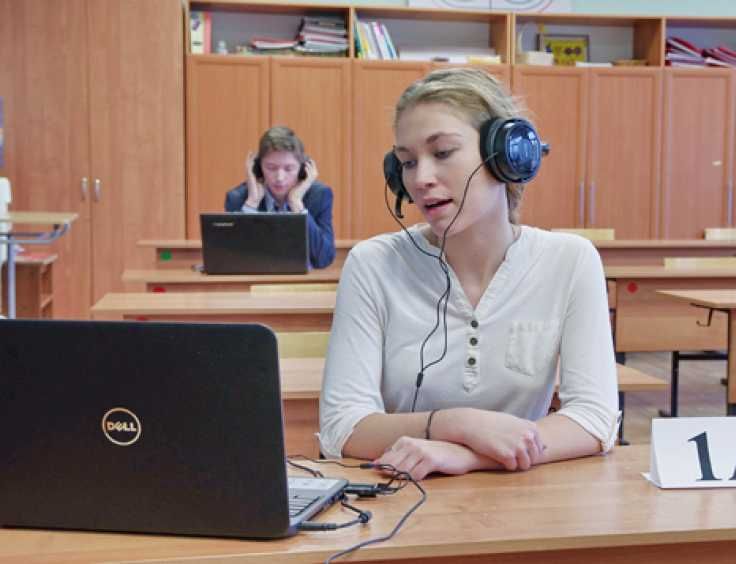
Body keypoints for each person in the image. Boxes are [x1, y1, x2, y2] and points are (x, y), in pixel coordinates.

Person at [319, 68, 619, 480]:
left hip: (527, 498)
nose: (420, 179)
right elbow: (342, 427)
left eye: (442, 152)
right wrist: (456, 424)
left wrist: (468, 456)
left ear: (505, 155)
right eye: (407, 162)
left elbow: (595, 418)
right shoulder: (372, 264)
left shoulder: (571, 261)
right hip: (401, 494)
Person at [224, 126, 335, 269]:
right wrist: (251, 204)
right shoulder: (237, 199)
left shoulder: (319, 196)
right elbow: (230, 259)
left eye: (289, 169)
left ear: (302, 169)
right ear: (257, 168)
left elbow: (323, 259)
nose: (280, 178)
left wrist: (297, 206)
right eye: (271, 168)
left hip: (301, 282)